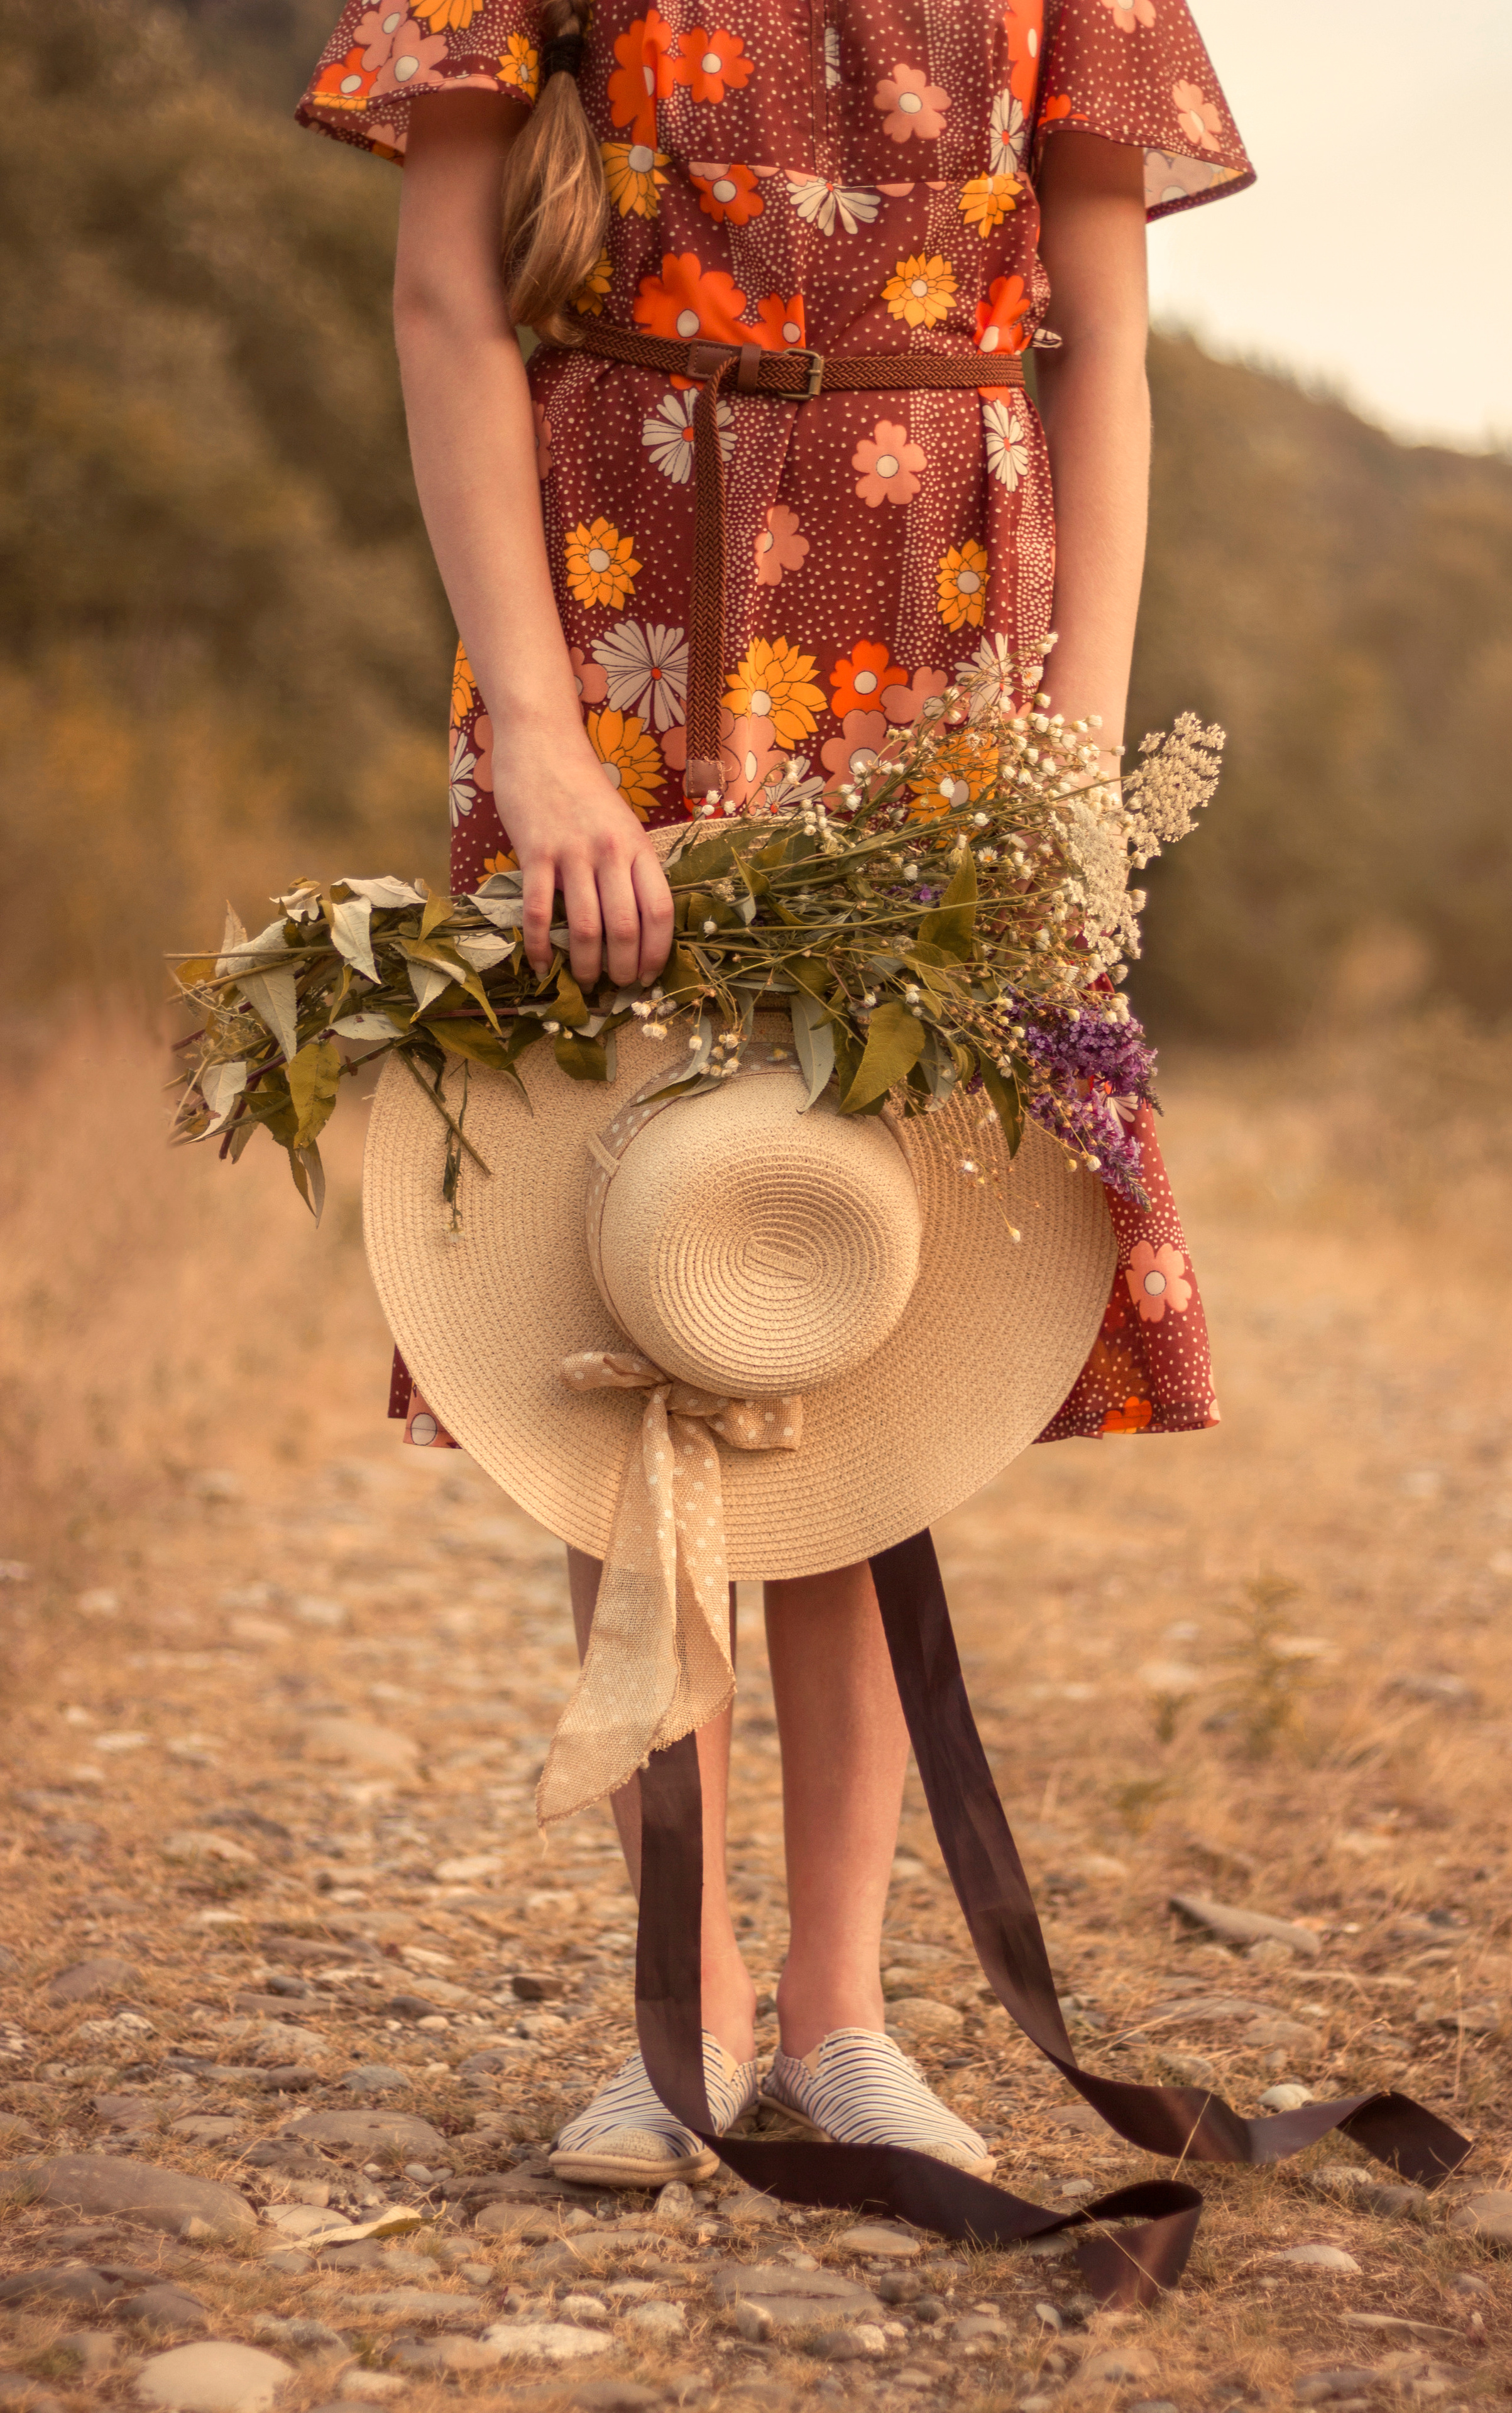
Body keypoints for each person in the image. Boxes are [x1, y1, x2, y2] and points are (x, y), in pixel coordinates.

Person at [295, 0, 1252, 2187]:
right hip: (619, 580)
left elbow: (1104, 340)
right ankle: (682, 2008)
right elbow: (448, 285)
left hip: (942, 610)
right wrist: (534, 735)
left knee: (849, 1272)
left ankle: (838, 2016)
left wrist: (1071, 772)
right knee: (624, 1267)